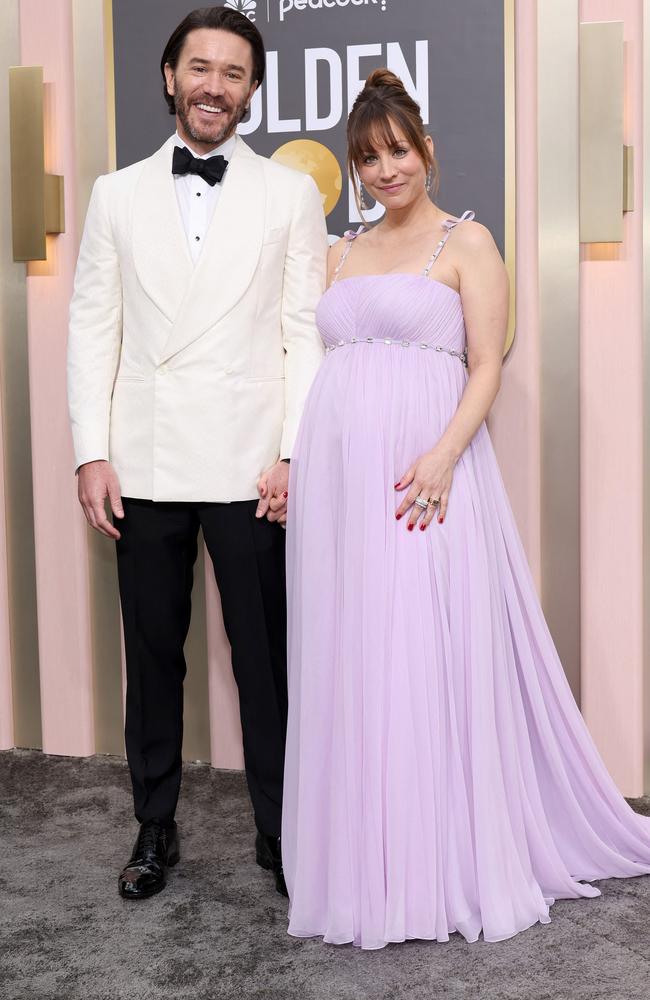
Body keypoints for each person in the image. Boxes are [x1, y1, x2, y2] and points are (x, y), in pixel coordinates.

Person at [281, 69, 650, 949]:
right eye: (367, 158)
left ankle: (435, 861)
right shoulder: (338, 252)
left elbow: (487, 363)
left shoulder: (468, 243)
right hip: (341, 492)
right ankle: (366, 861)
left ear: (427, 150)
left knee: (423, 653)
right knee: (359, 656)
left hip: (427, 479)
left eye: (397, 151)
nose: (384, 170)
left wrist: (444, 456)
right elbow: (315, 363)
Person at [67, 6, 327, 901]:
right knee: (153, 659)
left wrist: (295, 452)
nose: (217, 86)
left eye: (236, 73)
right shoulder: (115, 193)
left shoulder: (291, 193)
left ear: (253, 89)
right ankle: (154, 829)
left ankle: (282, 830)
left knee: (266, 661)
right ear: (171, 75)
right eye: (201, 68)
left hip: (253, 463)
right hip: (145, 459)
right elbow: (93, 328)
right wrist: (89, 453)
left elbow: (304, 334)